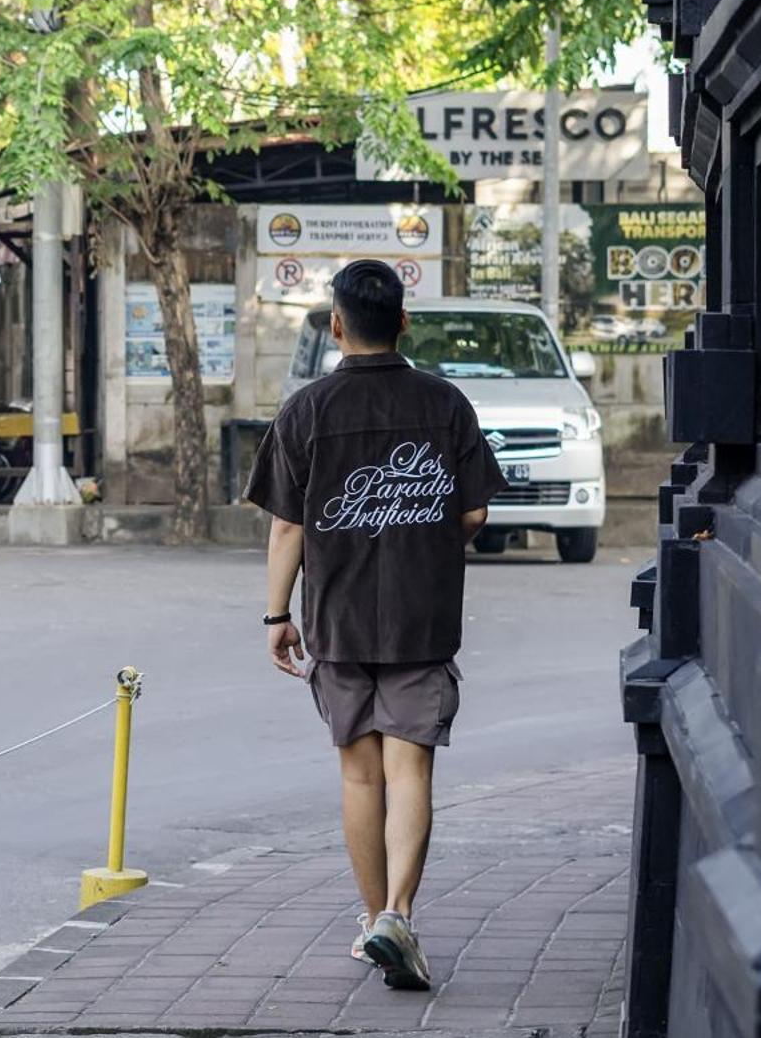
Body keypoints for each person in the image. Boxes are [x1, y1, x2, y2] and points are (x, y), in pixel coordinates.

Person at [244, 259, 504, 991]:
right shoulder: (445, 403)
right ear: (403, 322)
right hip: (423, 619)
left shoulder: (306, 411)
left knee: (360, 775)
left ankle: (371, 923)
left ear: (336, 325)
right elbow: (476, 511)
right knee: (410, 767)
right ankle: (398, 914)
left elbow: (287, 529)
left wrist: (275, 615)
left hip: (339, 619)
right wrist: (428, 535)